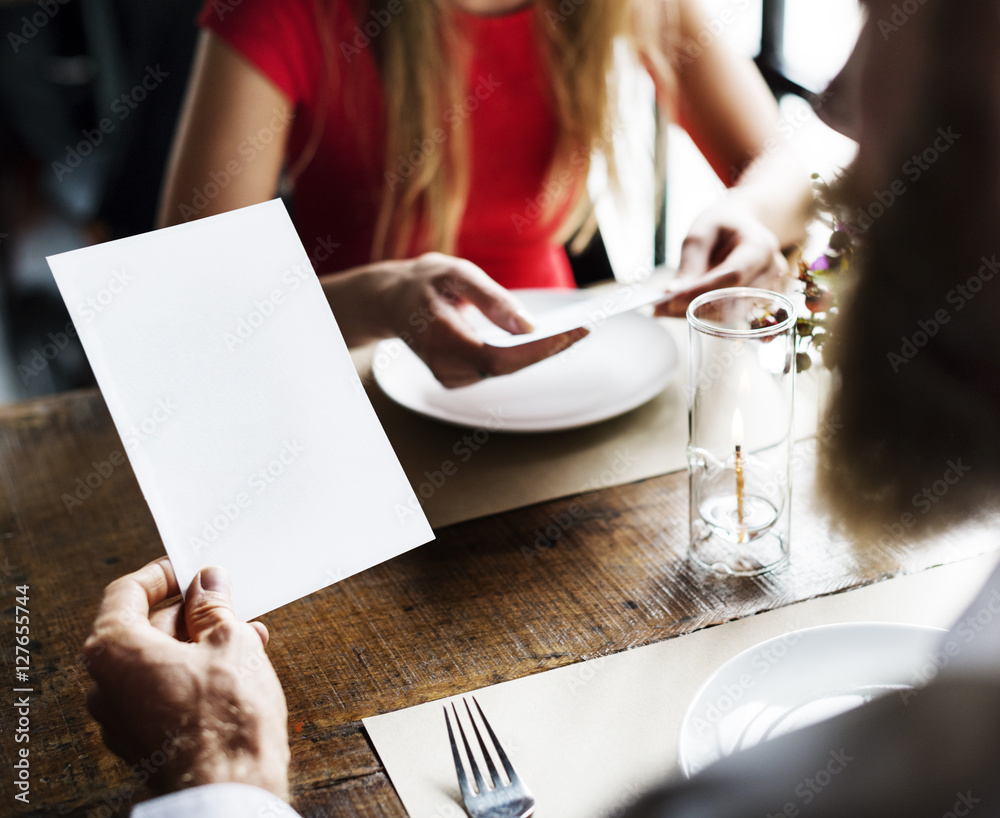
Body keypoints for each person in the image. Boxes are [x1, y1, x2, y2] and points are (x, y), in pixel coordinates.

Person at [156, 0, 810, 387]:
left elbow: (784, 166)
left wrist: (746, 214)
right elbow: (189, 302)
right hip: (343, 381)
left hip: (564, 378)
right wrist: (385, 302)